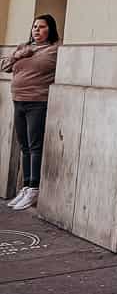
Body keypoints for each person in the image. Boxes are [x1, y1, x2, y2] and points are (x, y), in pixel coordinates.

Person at [3, 14, 60, 211]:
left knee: (35, 146)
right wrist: (17, 55)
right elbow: (4, 67)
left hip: (38, 102)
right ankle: (26, 186)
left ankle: (34, 188)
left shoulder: (54, 50)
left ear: (50, 30)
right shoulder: (23, 48)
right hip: (18, 100)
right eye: (34, 26)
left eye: (42, 27)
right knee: (24, 146)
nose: (36, 30)